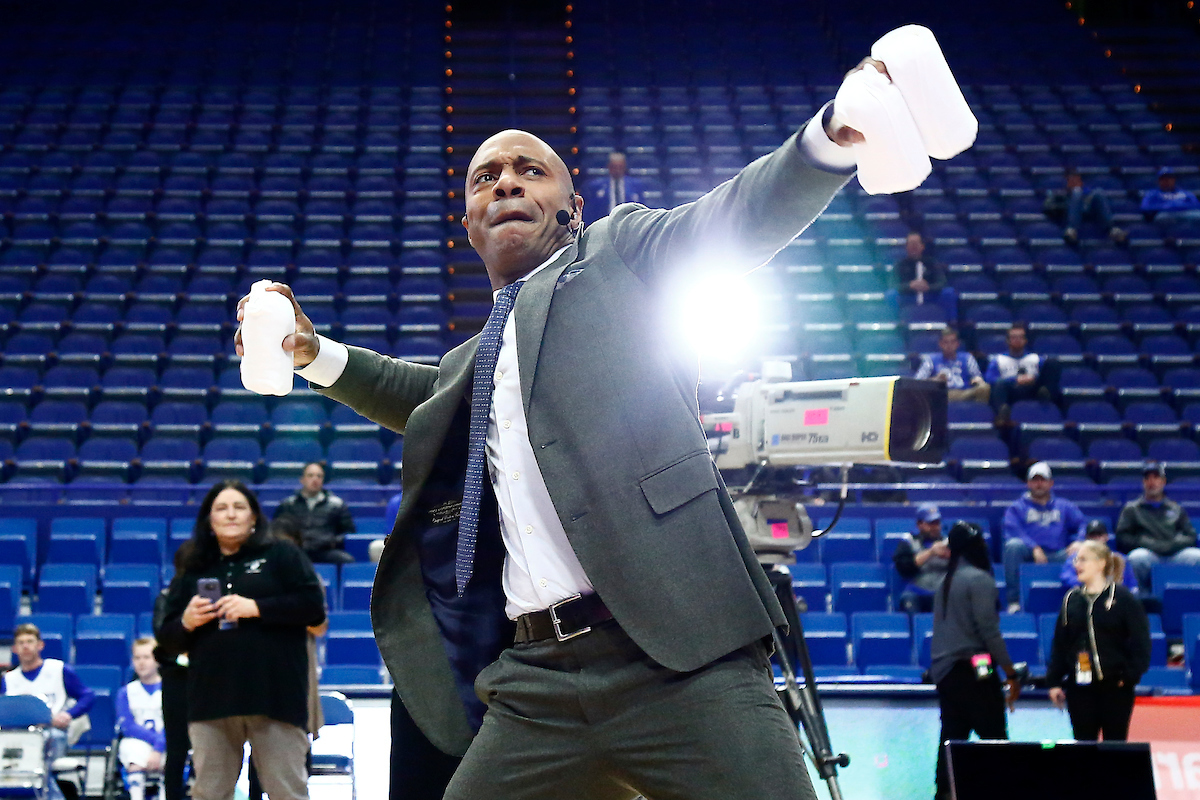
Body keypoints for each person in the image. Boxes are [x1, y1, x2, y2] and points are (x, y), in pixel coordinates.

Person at [235, 55, 904, 800]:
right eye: (486, 178)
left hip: (679, 661)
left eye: (529, 171)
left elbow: (732, 219)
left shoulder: (619, 253)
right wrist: (310, 352)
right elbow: (421, 395)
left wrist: (829, 140)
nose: (507, 182)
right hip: (536, 683)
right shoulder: (479, 359)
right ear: (468, 224)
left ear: (571, 206)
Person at [158, 480, 326, 800]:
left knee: (287, 791)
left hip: (276, 696)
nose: (231, 515)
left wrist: (257, 607)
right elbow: (168, 640)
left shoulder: (282, 555)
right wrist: (186, 622)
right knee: (209, 793)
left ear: (254, 517)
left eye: (239, 507)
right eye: (221, 508)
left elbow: (313, 607)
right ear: (209, 520)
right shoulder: (193, 568)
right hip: (211, 699)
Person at [930, 521, 1021, 800]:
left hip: (945, 673)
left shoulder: (944, 582)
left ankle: (944, 793)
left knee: (951, 739)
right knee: (994, 739)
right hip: (974, 668)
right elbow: (989, 632)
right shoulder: (980, 579)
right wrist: (1010, 672)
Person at [1047, 540, 1150, 741]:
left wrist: (1129, 677)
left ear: (1101, 563)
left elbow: (1141, 642)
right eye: (1077, 560)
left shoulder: (1123, 598)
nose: (1077, 564)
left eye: (1083, 559)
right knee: (1083, 749)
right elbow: (1060, 644)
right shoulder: (1071, 599)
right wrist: (1054, 682)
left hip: (1116, 687)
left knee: (1115, 747)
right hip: (1080, 688)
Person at [2, 623, 97, 800]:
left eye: (29, 641)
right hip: (19, 736)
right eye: (21, 642)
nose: (25, 646)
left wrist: (69, 714)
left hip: (53, 732)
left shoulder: (58, 670)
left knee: (38, 762)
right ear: (14, 649)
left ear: (40, 645)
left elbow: (88, 696)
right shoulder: (9, 679)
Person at [1002, 462, 1087, 611]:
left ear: (1051, 483)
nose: (1039, 484)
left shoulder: (1064, 506)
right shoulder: (1017, 507)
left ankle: (1079, 601)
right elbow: (1012, 530)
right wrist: (1033, 547)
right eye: (1035, 480)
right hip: (1029, 554)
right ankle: (1014, 601)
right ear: (1028, 483)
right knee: (1013, 546)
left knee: (1082, 553)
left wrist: (1079, 541)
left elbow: (1082, 524)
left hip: (1058, 553)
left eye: (1042, 480)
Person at [1115, 461, 1200, 592]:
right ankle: (1141, 599)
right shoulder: (1132, 509)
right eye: (1148, 478)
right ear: (1143, 482)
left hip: (1174, 554)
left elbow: (1190, 536)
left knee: (1196, 556)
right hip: (1148, 554)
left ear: (1163, 481)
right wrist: (1144, 542)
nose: (1152, 482)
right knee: (1136, 558)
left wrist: (1172, 545)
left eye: (1156, 477)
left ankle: (1192, 597)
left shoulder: (1176, 508)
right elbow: (1122, 537)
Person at [152, 543, 192, 800]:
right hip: (177, 679)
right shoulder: (167, 597)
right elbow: (163, 637)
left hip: (210, 678)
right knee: (177, 750)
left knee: (212, 750)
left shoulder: (213, 594)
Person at [272, 461, 356, 564]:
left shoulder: (337, 505)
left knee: (347, 560)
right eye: (310, 475)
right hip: (296, 551)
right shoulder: (288, 504)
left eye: (319, 476)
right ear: (302, 480)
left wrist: (332, 541)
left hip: (325, 551)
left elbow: (348, 531)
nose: (315, 479)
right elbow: (277, 530)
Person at [117, 638, 165, 800]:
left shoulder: (170, 689)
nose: (141, 663)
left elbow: (176, 723)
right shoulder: (126, 692)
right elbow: (128, 726)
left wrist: (159, 747)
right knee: (133, 754)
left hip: (166, 741)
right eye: (137, 658)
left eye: (146, 657)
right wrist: (155, 743)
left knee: (174, 757)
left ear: (157, 660)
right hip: (137, 741)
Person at [985, 323, 1055, 416]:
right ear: (1007, 341)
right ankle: (1002, 414)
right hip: (1010, 391)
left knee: (1052, 365)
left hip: (1032, 389)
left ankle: (1048, 412)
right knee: (999, 384)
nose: (1017, 340)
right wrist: (1015, 380)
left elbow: (1046, 376)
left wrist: (1032, 379)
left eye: (1020, 337)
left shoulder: (1036, 358)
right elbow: (989, 379)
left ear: (1025, 340)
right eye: (1014, 337)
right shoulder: (998, 360)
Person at [1043, 168, 1126, 245]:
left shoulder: (1086, 193)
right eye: (1071, 180)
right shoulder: (1059, 194)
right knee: (1077, 192)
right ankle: (1071, 230)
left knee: (1098, 192)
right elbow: (1048, 207)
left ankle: (1112, 229)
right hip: (1068, 211)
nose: (1074, 182)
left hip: (1085, 209)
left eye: (1077, 179)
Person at [893, 503, 950, 613]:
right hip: (917, 591)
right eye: (931, 524)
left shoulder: (948, 542)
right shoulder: (908, 541)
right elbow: (904, 567)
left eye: (937, 523)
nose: (935, 527)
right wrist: (931, 552)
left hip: (942, 591)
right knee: (908, 601)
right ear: (919, 524)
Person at [889, 231, 957, 322]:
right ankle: (895, 324)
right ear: (906, 247)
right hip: (908, 296)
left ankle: (951, 325)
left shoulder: (932, 263)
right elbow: (893, 284)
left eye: (916, 244)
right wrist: (910, 286)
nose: (913, 247)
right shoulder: (899, 265)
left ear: (922, 246)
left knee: (949, 293)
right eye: (911, 244)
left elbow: (942, 282)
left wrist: (928, 287)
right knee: (891, 295)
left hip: (929, 294)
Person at [913, 326, 989, 403]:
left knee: (984, 387)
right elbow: (917, 382)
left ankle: (978, 413)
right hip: (942, 394)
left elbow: (977, 377)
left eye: (952, 342)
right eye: (946, 342)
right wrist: (935, 380)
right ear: (940, 344)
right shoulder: (931, 359)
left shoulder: (967, 357)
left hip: (964, 392)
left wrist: (977, 380)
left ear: (957, 344)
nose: (949, 345)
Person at [1060, 519, 1136, 590]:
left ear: (1106, 537)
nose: (1095, 539)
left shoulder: (1119, 558)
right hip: (1084, 595)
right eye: (1092, 536)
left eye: (1099, 535)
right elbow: (1066, 577)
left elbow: (1132, 585)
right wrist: (1091, 582)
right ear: (1086, 538)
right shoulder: (1076, 557)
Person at [581, 151, 647, 225]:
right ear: (609, 167)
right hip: (604, 223)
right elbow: (591, 210)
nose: (617, 170)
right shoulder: (596, 186)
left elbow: (642, 209)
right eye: (614, 167)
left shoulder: (636, 185)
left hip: (628, 224)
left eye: (620, 167)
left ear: (624, 167)